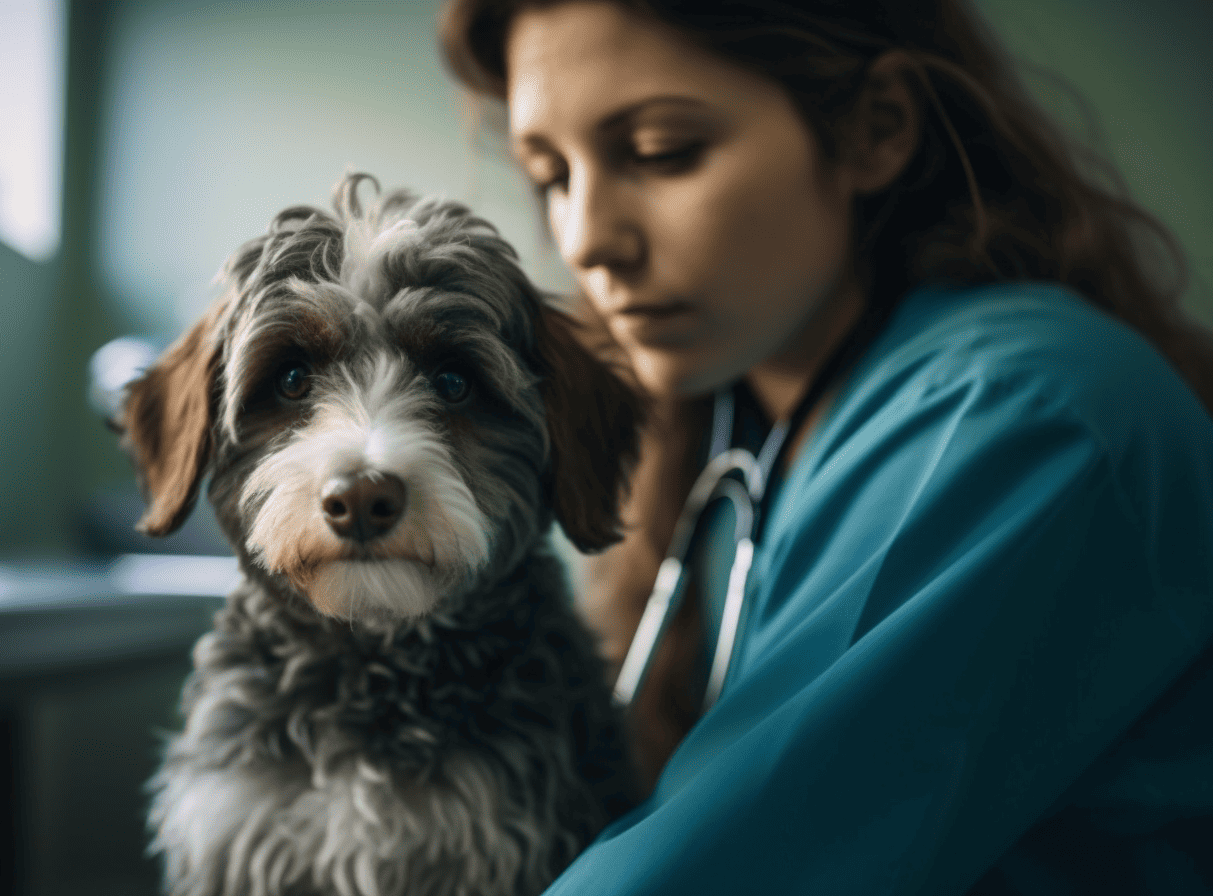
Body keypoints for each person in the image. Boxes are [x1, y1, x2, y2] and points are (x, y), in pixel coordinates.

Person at [439, 1, 1213, 894]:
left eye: (660, 153)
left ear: (874, 129)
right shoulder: (732, 424)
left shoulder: (1027, 418)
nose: (585, 240)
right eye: (551, 175)